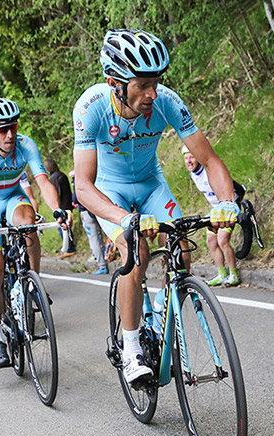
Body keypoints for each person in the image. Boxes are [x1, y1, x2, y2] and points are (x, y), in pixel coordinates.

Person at [73, 29, 240, 384]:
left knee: (182, 248)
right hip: (111, 191)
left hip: (151, 183)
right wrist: (125, 219)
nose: (152, 93)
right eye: (143, 85)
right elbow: (83, 186)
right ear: (115, 83)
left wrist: (227, 202)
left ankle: (163, 311)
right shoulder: (92, 107)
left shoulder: (167, 101)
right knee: (136, 252)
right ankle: (131, 348)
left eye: (156, 83)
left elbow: (209, 159)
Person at [0, 98, 70, 368]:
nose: (10, 134)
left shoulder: (26, 145)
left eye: (13, 126)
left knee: (28, 223)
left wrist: (57, 209)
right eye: (2, 130)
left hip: (13, 198)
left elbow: (43, 181)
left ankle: (33, 282)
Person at [182, 146, 245, 287]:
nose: (188, 161)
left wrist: (236, 203)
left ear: (198, 158)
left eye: (191, 157)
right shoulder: (193, 175)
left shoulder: (210, 171)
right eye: (186, 158)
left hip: (228, 207)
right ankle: (222, 274)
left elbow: (236, 188)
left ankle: (233, 274)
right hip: (216, 209)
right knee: (211, 241)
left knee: (222, 240)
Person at [70, 170, 108, 274]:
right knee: (108, 233)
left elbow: (75, 199)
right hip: (100, 207)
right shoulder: (96, 175)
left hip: (86, 211)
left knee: (94, 238)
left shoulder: (80, 180)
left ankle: (102, 266)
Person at [45, 158, 76, 258]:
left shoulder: (54, 178)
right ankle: (69, 247)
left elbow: (56, 194)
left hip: (61, 206)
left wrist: (56, 207)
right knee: (67, 226)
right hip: (67, 204)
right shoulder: (62, 175)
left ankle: (69, 249)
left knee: (62, 227)